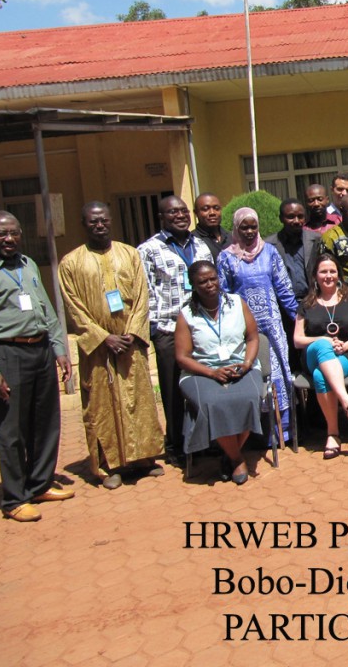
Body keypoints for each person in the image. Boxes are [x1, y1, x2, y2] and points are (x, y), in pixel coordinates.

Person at [59, 202, 164, 490]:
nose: (99, 225)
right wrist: (103, 337)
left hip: (130, 343)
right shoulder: (71, 263)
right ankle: (111, 465)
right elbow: (73, 307)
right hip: (99, 349)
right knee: (102, 406)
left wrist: (132, 332)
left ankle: (144, 459)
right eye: (93, 221)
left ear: (111, 221)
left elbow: (142, 296)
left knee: (138, 399)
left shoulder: (129, 254)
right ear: (84, 224)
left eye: (103, 220)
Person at [0, 211, 73, 522]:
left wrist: (59, 348)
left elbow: (46, 308)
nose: (9, 239)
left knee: (45, 421)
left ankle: (40, 484)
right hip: (7, 352)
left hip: (40, 350)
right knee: (11, 429)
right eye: (2, 234)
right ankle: (14, 499)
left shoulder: (27, 265)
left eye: (14, 233)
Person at [138, 195, 213, 463]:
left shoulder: (201, 246)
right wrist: (153, 329)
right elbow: (144, 291)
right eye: (172, 212)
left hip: (200, 326)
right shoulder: (148, 250)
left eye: (183, 211)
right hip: (168, 327)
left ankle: (204, 440)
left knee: (202, 384)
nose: (180, 216)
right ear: (162, 218)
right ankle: (177, 445)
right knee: (172, 389)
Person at [175, 260, 263, 485]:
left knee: (250, 397)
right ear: (193, 285)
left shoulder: (237, 303)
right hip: (200, 371)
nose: (209, 284)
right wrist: (211, 373)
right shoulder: (187, 314)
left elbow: (253, 337)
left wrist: (247, 363)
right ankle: (236, 459)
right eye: (202, 282)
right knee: (213, 402)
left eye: (213, 278)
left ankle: (228, 454)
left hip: (240, 366)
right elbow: (182, 357)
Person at [217, 208, 298, 441]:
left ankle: (283, 430)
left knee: (278, 373)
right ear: (236, 228)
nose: (250, 231)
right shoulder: (226, 258)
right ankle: (258, 434)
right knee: (253, 373)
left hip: (272, 325)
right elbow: (224, 294)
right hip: (243, 328)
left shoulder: (269, 252)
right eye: (244, 227)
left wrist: (299, 318)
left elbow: (284, 288)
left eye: (253, 226)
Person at [293, 252, 348, 459]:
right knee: (321, 346)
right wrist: (323, 340)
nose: (328, 276)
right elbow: (297, 340)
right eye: (323, 272)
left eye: (332, 271)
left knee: (320, 376)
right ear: (315, 276)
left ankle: (333, 434)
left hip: (346, 355)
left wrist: (346, 345)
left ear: (338, 274)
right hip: (313, 355)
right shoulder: (307, 303)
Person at [266, 198, 321, 371]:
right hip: (283, 306)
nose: (296, 221)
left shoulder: (316, 239)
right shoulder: (269, 245)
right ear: (281, 218)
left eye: (300, 216)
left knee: (312, 348)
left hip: (311, 301)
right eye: (290, 217)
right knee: (290, 350)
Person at [192, 192, 231, 262]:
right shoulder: (192, 241)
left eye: (216, 208)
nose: (212, 213)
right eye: (205, 209)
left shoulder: (232, 238)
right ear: (196, 213)